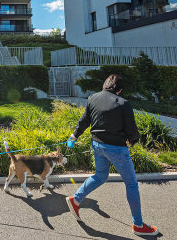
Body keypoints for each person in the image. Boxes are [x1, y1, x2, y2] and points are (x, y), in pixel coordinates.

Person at [65, 74, 158, 236]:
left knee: (100, 176)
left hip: (97, 145)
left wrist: (73, 136)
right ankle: (138, 225)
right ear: (119, 90)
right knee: (131, 184)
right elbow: (132, 131)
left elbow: (84, 121)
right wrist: (133, 141)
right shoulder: (123, 103)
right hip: (116, 149)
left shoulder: (92, 98)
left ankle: (76, 199)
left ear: (105, 84)